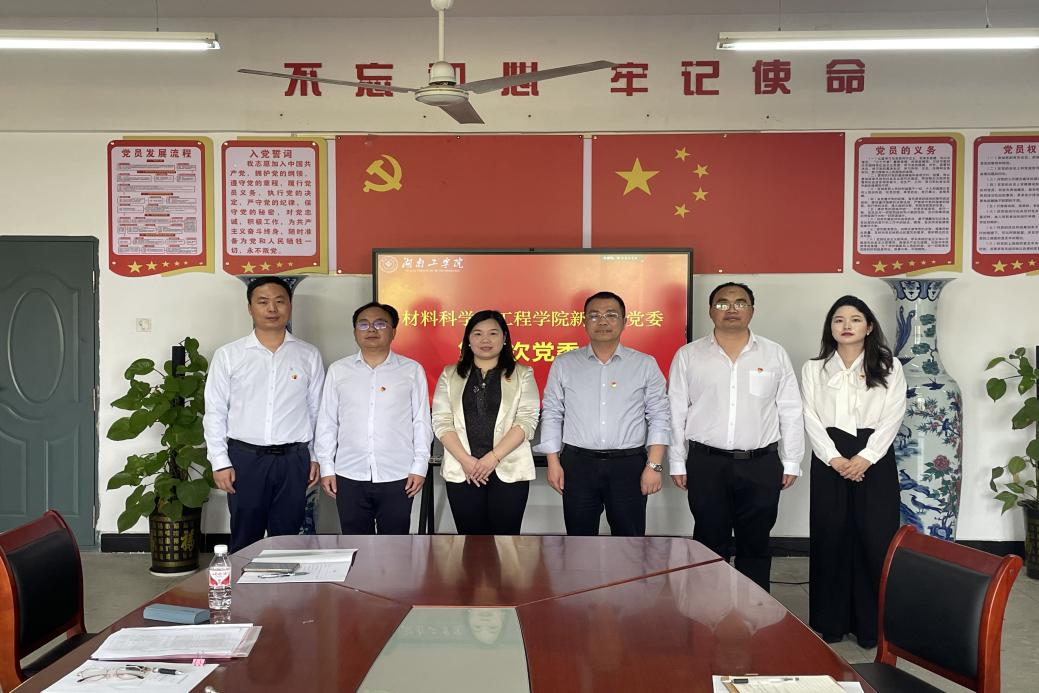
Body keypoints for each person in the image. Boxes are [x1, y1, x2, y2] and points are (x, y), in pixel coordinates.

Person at [668, 282, 805, 592]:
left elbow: (790, 410)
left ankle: (755, 610)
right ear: (710, 310)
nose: (731, 309)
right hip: (706, 462)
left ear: (752, 311)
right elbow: (675, 410)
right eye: (722, 303)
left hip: (761, 463)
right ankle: (707, 607)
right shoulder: (689, 355)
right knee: (708, 539)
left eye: (740, 303)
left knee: (755, 541)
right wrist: (677, 460)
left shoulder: (774, 353)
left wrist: (791, 460)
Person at [801, 295, 906, 648]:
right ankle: (830, 622)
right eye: (839, 320)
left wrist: (866, 457)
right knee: (831, 536)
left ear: (869, 326)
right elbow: (809, 416)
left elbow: (893, 415)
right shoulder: (814, 368)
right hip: (829, 457)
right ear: (830, 327)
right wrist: (833, 458)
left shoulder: (889, 365)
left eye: (856, 319)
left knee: (874, 539)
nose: (846, 325)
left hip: (874, 457)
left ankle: (870, 627)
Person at [203, 276, 324, 553]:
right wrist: (220, 462)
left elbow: (317, 410)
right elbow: (215, 411)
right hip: (245, 460)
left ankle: (284, 582)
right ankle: (244, 582)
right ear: (250, 308)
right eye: (263, 302)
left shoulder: (308, 355)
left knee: (288, 538)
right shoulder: (229, 355)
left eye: (280, 301)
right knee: (246, 536)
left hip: (294, 460)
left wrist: (315, 456)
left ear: (290, 306)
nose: (272, 308)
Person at [539, 291, 670, 536]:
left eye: (611, 315)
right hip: (578, 464)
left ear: (624, 321)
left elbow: (660, 415)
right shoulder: (564, 364)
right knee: (579, 541)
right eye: (594, 315)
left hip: (628, 466)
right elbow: (552, 414)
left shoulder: (644, 364)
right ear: (584, 321)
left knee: (630, 542)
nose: (602, 321)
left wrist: (654, 465)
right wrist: (553, 462)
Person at [315, 301, 431, 534]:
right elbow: (327, 421)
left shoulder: (411, 370)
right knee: (355, 543)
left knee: (395, 545)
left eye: (380, 324)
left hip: (398, 474)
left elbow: (421, 421)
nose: (371, 329)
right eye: (363, 324)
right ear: (355, 331)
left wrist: (420, 467)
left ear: (393, 331)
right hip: (349, 473)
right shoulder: (339, 370)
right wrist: (327, 467)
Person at [432, 310, 540, 535]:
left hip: (509, 469)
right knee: (470, 542)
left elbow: (526, 420)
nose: (485, 340)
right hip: (464, 470)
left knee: (506, 544)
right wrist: (467, 461)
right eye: (478, 333)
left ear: (504, 337)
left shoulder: (523, 374)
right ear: (468, 340)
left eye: (493, 333)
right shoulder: (449, 374)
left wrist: (493, 458)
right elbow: (442, 421)